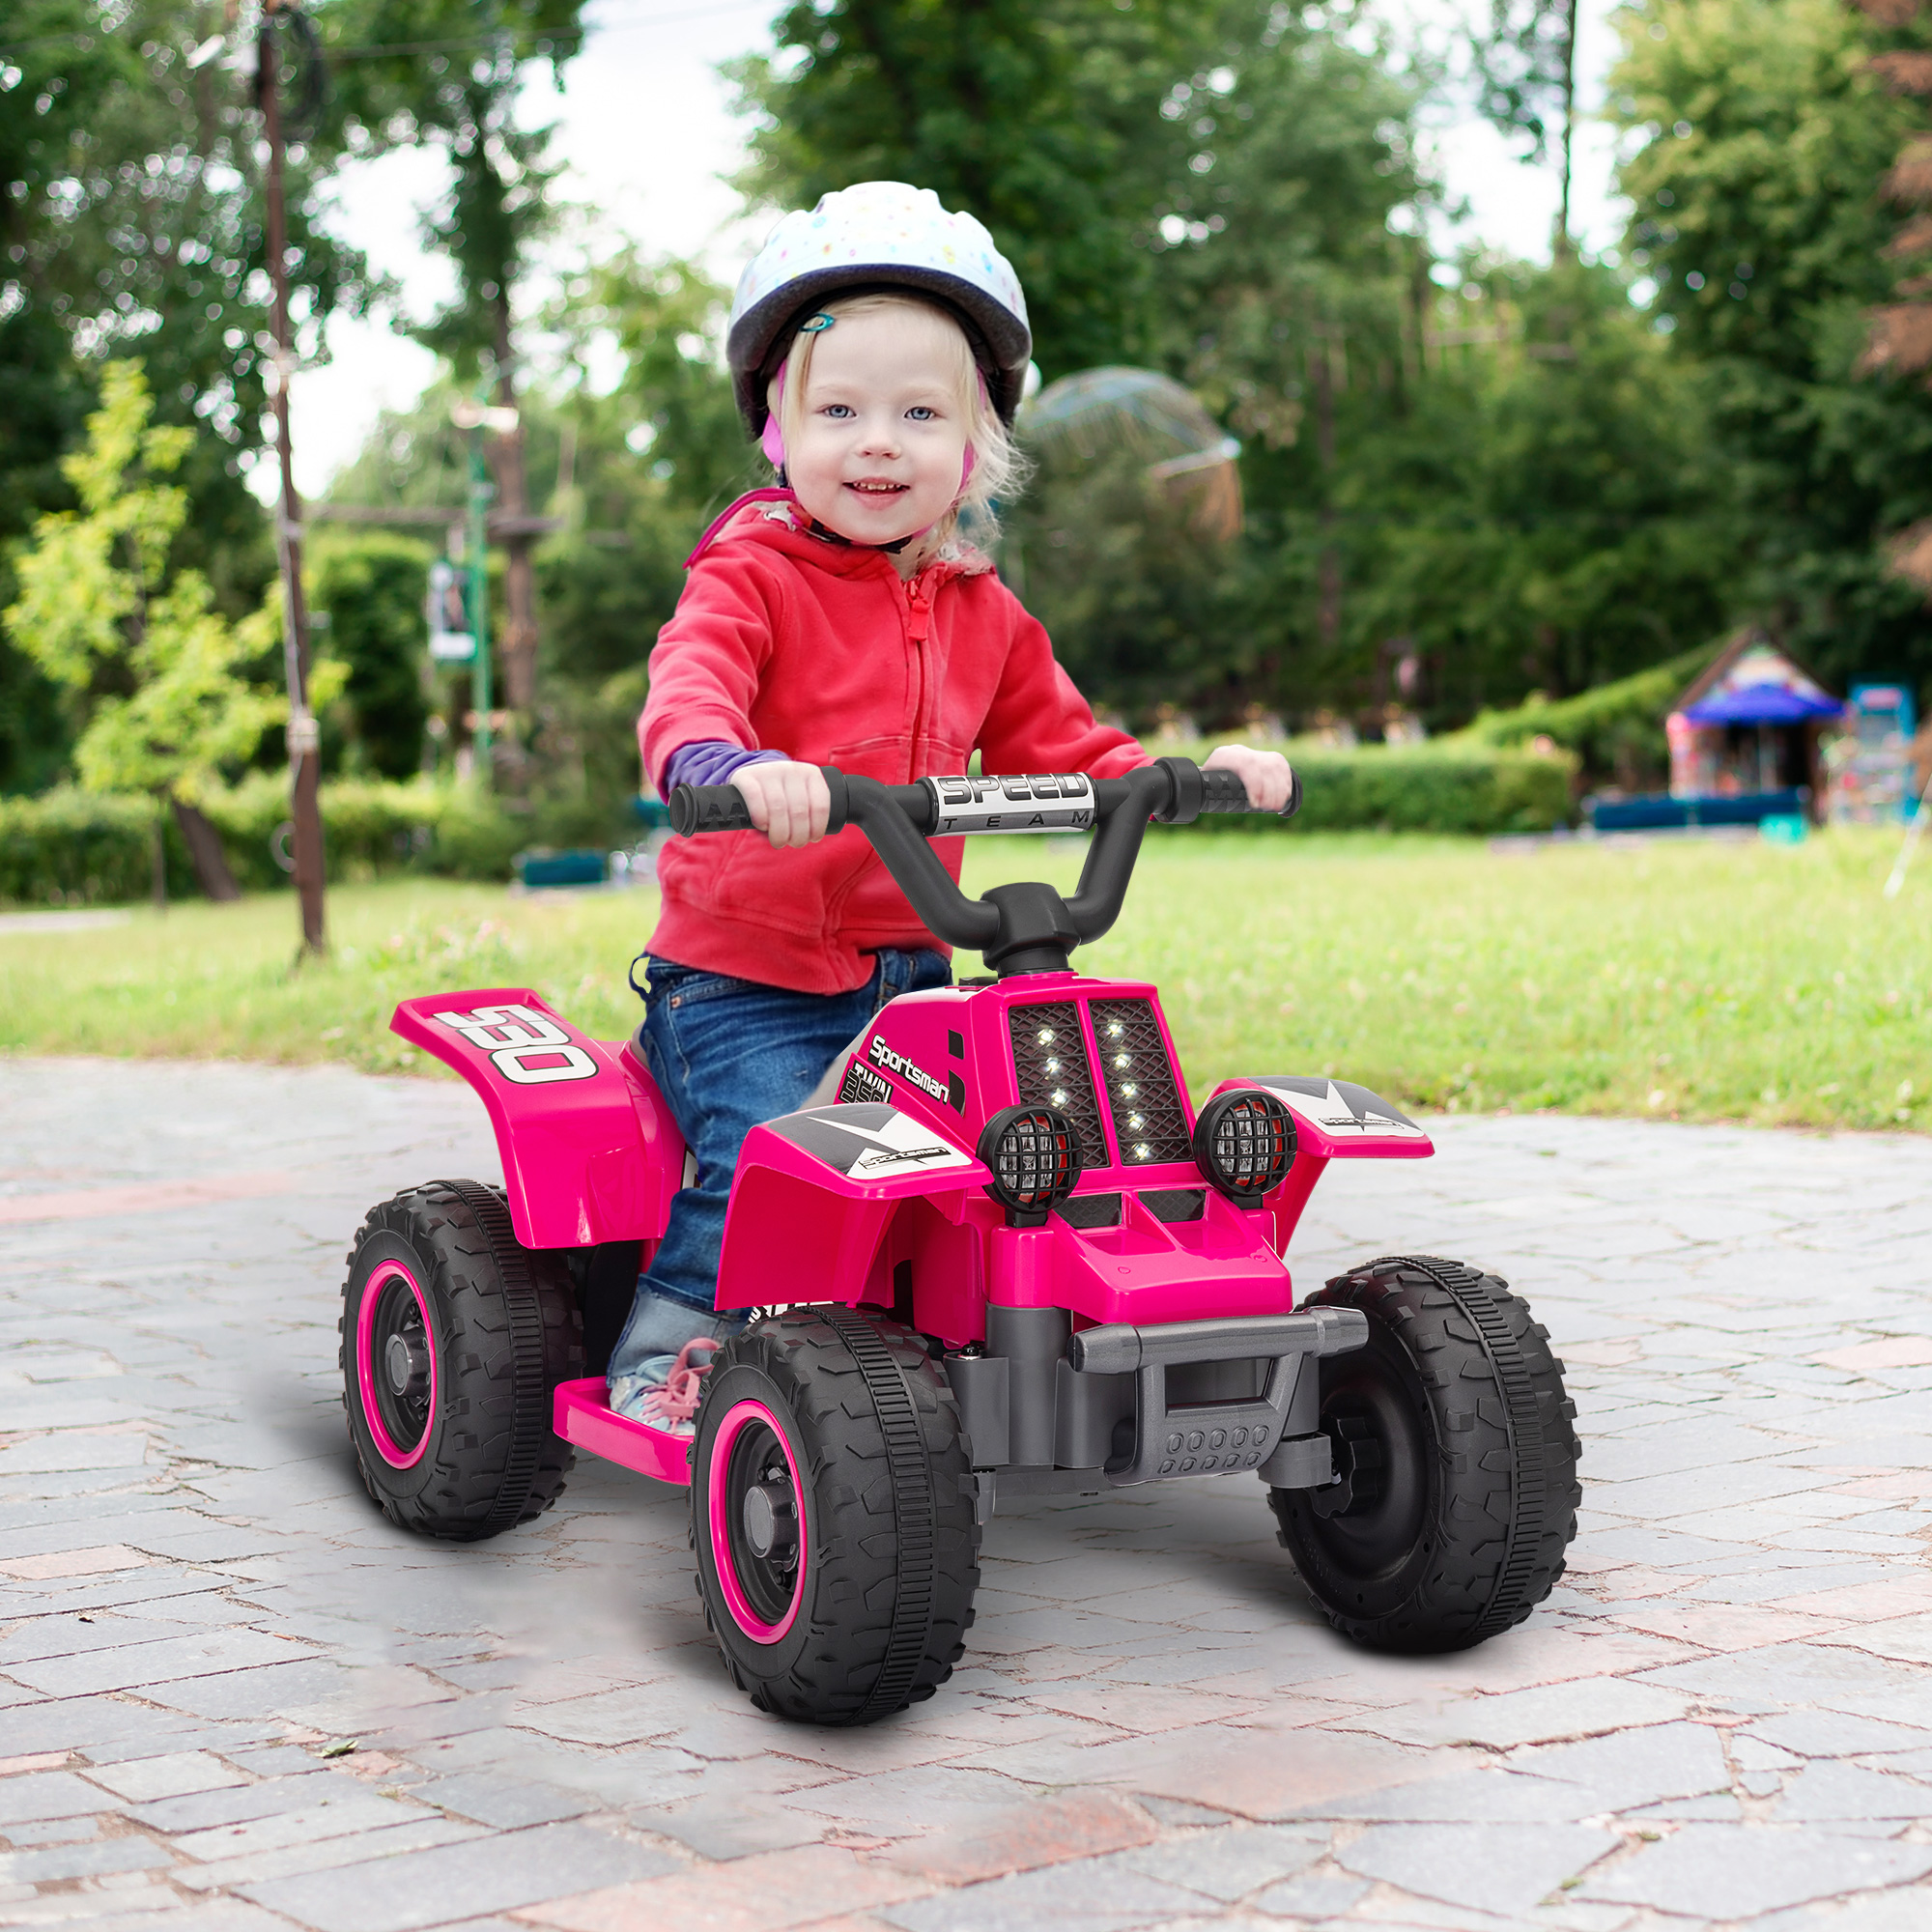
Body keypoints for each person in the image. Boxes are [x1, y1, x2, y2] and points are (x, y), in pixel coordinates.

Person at [607, 182, 1293, 1429]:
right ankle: (666, 1358)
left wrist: (1181, 776)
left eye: (920, 413)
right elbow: (691, 682)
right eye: (841, 411)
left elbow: (1068, 743)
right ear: (778, 432)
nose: (880, 443)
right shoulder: (748, 577)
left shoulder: (983, 606)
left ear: (973, 447)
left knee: (1010, 1153)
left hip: (914, 967)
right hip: (746, 978)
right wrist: (722, 765)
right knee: (771, 1154)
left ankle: (1028, 1323)